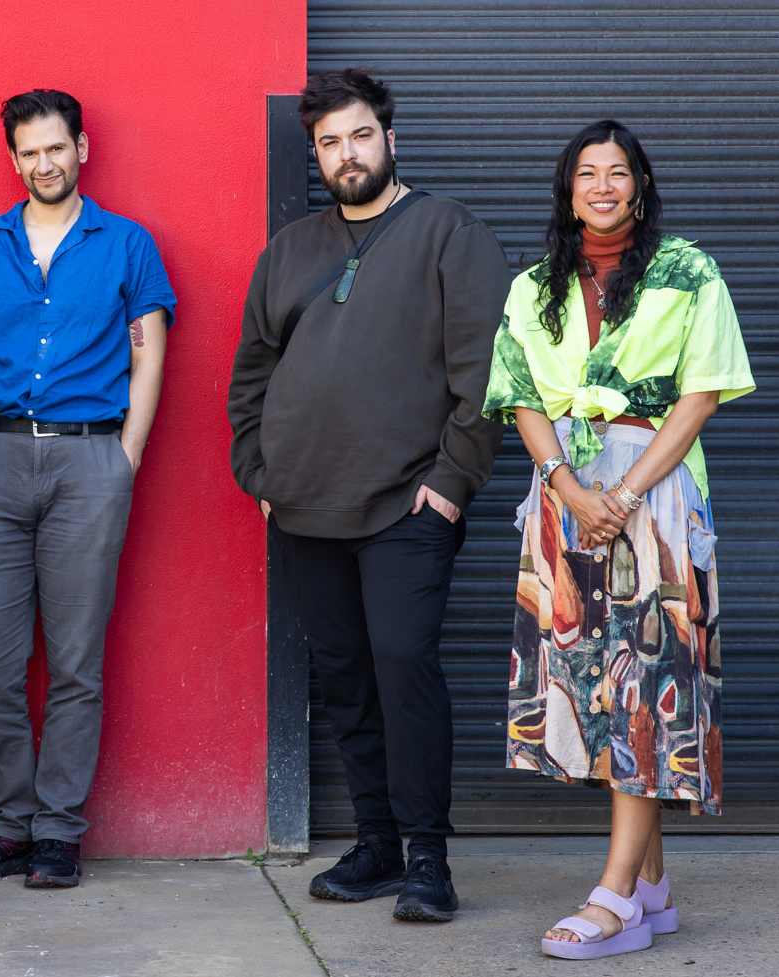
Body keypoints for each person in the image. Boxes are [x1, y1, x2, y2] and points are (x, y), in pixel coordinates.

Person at [226, 70, 510, 922]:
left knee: (403, 666)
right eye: (328, 143)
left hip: (407, 509)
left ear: (391, 138)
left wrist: (452, 484)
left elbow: (488, 371)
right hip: (305, 508)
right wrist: (262, 478)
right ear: (314, 154)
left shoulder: (447, 232)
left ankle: (429, 857)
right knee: (345, 676)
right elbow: (251, 376)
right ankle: (377, 843)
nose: (345, 154)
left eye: (358, 136)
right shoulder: (290, 250)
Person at [481, 120, 754, 960]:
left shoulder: (688, 271)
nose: (602, 186)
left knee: (647, 688)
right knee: (596, 680)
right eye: (586, 173)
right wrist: (568, 487)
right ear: (568, 190)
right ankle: (654, 888)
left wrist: (625, 494)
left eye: (618, 172)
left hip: (656, 493)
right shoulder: (533, 286)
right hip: (564, 492)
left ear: (640, 184)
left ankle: (612, 897)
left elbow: (701, 394)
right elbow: (522, 394)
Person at [0, 89, 175, 889]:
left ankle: (58, 833)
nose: (44, 164)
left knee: (75, 661)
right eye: (28, 153)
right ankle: (9, 825)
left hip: (88, 463)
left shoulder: (128, 245)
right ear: (14, 159)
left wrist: (124, 459)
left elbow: (149, 356)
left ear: (82, 147)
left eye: (55, 148)